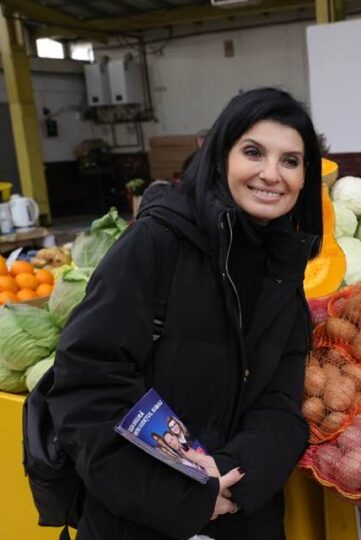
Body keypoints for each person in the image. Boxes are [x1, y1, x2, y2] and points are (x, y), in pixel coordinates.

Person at [48, 87, 322, 540]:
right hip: (140, 519)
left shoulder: (282, 268)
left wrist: (233, 476)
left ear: (305, 176)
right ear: (220, 156)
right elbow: (87, 391)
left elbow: (281, 401)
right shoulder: (155, 245)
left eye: (290, 161)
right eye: (253, 152)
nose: (272, 174)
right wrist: (187, 495)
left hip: (242, 516)